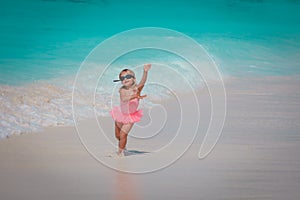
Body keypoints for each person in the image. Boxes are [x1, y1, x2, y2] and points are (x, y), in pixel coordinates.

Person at [110, 64, 151, 156]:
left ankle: (120, 153)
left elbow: (143, 82)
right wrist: (134, 96)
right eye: (122, 78)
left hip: (130, 117)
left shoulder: (137, 90)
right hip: (120, 114)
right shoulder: (122, 90)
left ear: (134, 78)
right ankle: (123, 147)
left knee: (123, 135)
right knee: (117, 135)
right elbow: (124, 99)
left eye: (128, 76)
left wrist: (145, 72)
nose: (125, 79)